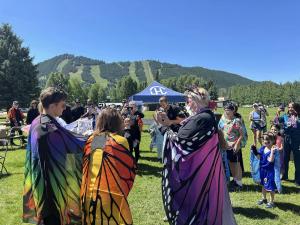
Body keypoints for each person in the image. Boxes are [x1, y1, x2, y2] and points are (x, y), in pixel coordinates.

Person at [155, 87, 236, 225]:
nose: (187, 103)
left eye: (189, 100)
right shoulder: (206, 116)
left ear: (196, 101)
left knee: (198, 204)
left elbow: (179, 141)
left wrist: (162, 126)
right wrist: (168, 124)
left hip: (198, 172)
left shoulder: (202, 118)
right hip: (204, 168)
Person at [23, 87, 86, 225]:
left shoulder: (38, 121)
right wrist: (100, 140)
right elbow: (73, 143)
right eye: (63, 105)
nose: (65, 108)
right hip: (52, 191)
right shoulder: (47, 127)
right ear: (52, 106)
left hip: (42, 184)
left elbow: (65, 135)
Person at [81, 108, 136, 225]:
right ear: (117, 123)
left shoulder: (94, 139)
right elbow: (125, 169)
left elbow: (97, 161)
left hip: (89, 194)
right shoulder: (121, 141)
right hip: (110, 196)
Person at [252, 132, 281, 208]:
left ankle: (271, 202)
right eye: (264, 139)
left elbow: (271, 160)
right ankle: (264, 198)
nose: (265, 141)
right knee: (263, 185)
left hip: (270, 171)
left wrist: (271, 151)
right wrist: (255, 151)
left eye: (268, 139)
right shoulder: (262, 148)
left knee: (271, 187)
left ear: (273, 140)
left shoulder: (274, 150)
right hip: (263, 170)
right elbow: (259, 157)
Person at [219, 102, 244, 189]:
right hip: (225, 146)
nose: (227, 112)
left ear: (233, 111)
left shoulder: (236, 121)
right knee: (229, 163)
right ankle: (235, 180)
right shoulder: (222, 120)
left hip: (234, 146)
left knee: (236, 164)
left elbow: (241, 134)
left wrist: (237, 144)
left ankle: (239, 183)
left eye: (228, 110)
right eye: (225, 110)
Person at [274, 102, 300, 185]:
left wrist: (296, 117)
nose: (290, 109)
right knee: (285, 158)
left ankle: (298, 179)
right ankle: (285, 175)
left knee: (297, 160)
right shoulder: (285, 116)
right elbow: (276, 122)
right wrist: (278, 112)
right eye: (289, 107)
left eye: (292, 107)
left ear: (296, 108)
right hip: (287, 139)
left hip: (297, 140)